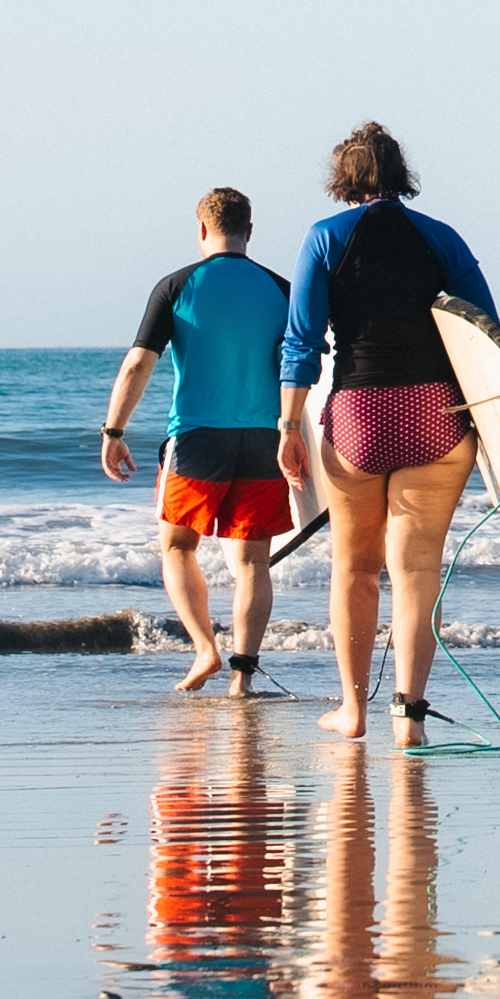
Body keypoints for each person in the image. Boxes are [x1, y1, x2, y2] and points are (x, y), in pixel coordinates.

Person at [282, 122, 500, 747]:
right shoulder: (441, 238)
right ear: (399, 172)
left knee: (353, 569)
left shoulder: (325, 238)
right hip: (436, 411)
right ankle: (409, 717)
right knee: (417, 570)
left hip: (358, 412)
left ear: (343, 179)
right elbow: (486, 331)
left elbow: (301, 341)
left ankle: (351, 710)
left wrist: (286, 426)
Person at [100, 187, 300, 695]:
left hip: (196, 438)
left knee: (177, 545)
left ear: (202, 230)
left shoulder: (177, 285)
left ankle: (205, 648)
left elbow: (138, 362)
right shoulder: (282, 289)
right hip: (264, 437)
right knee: (254, 560)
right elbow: (307, 368)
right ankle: (242, 678)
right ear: (249, 232)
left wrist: (114, 430)